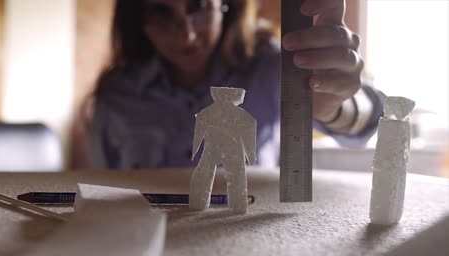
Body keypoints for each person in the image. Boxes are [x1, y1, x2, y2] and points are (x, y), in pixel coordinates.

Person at [78, 0, 385, 169]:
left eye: (197, 6)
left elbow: (368, 115)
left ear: (225, 7)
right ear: (139, 19)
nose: (186, 34)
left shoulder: (267, 65)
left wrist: (337, 107)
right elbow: (106, 193)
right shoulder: (115, 96)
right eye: (162, 11)